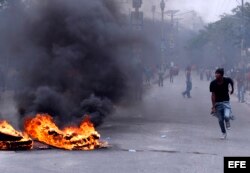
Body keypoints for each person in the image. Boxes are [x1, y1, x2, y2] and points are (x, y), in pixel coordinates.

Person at [210, 68, 234, 139]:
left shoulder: (227, 80)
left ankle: (227, 122)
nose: (216, 75)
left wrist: (232, 89)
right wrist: (213, 106)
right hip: (218, 104)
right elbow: (213, 95)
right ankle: (223, 133)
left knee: (226, 116)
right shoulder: (213, 83)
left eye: (217, 73)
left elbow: (231, 81)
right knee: (220, 120)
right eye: (215, 73)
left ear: (221, 75)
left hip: (226, 102)